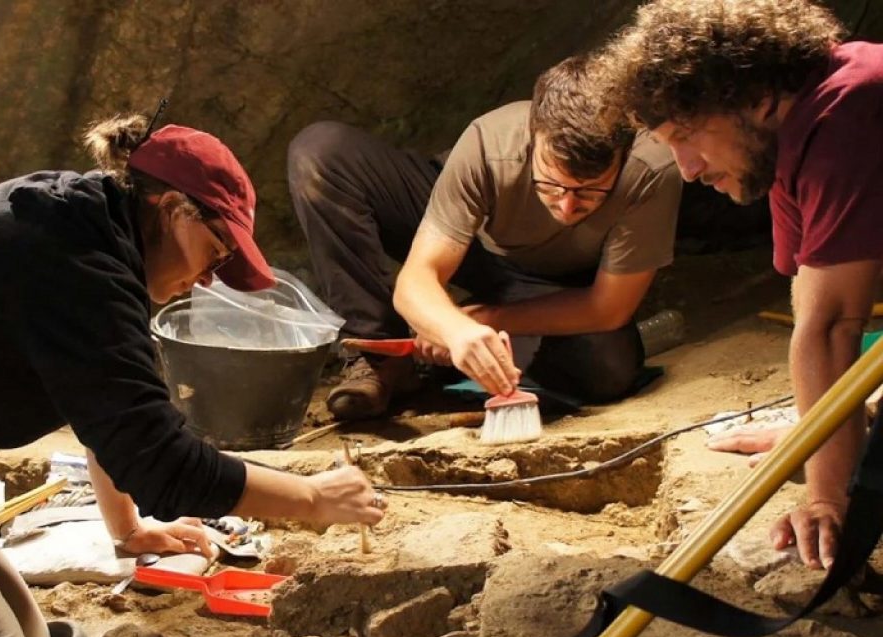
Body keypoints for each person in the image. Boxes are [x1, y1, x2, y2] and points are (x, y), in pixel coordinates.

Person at [0, 115, 385, 637]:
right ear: (174, 209)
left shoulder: (89, 228)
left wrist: (128, 531)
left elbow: (108, 414)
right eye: (217, 250)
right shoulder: (77, 263)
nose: (210, 277)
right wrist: (312, 498)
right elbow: (159, 462)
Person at [599, 0, 881, 570]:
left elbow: (834, 326)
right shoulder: (784, 140)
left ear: (753, 98)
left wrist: (828, 496)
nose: (687, 169)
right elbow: (811, 297)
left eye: (686, 137)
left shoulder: (849, 109)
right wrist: (820, 431)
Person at [287, 56, 682, 421]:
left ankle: (452, 352)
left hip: (553, 282)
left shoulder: (652, 168)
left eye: (590, 191)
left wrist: (477, 321)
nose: (565, 207)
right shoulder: (490, 141)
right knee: (321, 153)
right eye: (551, 183)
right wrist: (456, 330)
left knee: (608, 369)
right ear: (533, 135)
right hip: (476, 243)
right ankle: (382, 360)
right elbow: (416, 279)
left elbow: (607, 307)